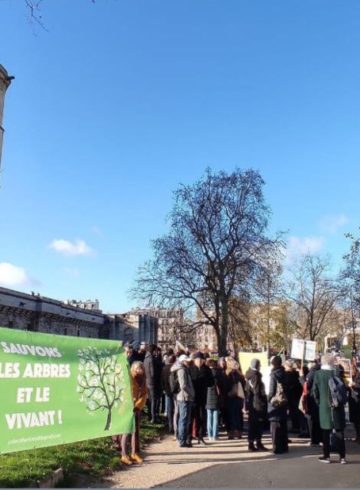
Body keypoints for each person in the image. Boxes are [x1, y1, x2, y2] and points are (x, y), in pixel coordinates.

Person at [312, 353, 347, 464]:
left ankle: (326, 456)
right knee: (339, 431)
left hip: (324, 407)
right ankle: (342, 457)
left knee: (325, 432)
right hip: (338, 406)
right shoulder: (337, 372)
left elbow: (315, 391)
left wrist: (319, 402)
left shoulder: (318, 374)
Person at [119, 361, 148, 465]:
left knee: (135, 432)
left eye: (141, 368)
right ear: (133, 369)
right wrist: (128, 406)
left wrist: (138, 406)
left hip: (136, 408)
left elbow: (144, 394)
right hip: (126, 408)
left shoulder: (143, 379)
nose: (140, 370)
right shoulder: (128, 378)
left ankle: (134, 453)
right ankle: (123, 454)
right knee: (126, 432)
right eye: (137, 368)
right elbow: (124, 393)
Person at [189, 352, 214, 444]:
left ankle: (200, 436)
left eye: (201, 360)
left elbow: (211, 383)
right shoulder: (190, 369)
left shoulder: (206, 369)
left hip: (203, 396)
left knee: (201, 417)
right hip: (192, 397)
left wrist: (206, 382)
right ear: (194, 360)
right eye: (197, 360)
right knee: (191, 417)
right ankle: (189, 437)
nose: (199, 361)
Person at [171, 354, 195, 448]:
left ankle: (183, 439)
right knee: (183, 419)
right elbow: (183, 385)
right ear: (183, 361)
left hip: (186, 397)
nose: (188, 362)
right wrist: (192, 393)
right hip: (183, 397)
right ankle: (182, 440)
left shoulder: (184, 369)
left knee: (185, 419)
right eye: (187, 361)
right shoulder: (181, 370)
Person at [245, 358, 268, 451]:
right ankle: (254, 443)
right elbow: (257, 390)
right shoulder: (255, 376)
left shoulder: (249, 374)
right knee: (257, 424)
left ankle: (256, 442)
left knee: (254, 424)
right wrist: (263, 397)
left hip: (252, 402)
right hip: (257, 403)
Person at [268, 355, 289, 454]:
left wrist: (268, 399)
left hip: (275, 402)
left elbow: (271, 390)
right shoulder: (285, 373)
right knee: (283, 424)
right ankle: (284, 446)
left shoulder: (273, 375)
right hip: (284, 400)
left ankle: (277, 447)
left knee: (275, 425)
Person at [224, 357, 246, 439]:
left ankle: (238, 431)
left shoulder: (238, 374)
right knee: (231, 415)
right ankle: (232, 432)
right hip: (230, 397)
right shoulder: (227, 374)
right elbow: (224, 386)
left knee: (237, 415)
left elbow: (243, 384)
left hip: (237, 397)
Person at [206, 358, 221, 441]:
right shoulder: (218, 374)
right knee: (215, 417)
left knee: (209, 416)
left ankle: (210, 434)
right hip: (216, 396)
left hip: (208, 396)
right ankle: (215, 435)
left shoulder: (206, 373)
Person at [161, 354, 176, 433]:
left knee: (169, 409)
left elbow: (162, 381)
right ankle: (174, 425)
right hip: (175, 392)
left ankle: (170, 426)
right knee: (176, 410)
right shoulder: (174, 369)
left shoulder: (164, 369)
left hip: (167, 391)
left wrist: (163, 389)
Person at [349, 369, 360, 443]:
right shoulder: (350, 378)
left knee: (358, 420)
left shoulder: (358, 378)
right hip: (352, 401)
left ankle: (359, 437)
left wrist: (355, 385)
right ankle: (357, 436)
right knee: (355, 421)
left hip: (358, 401)